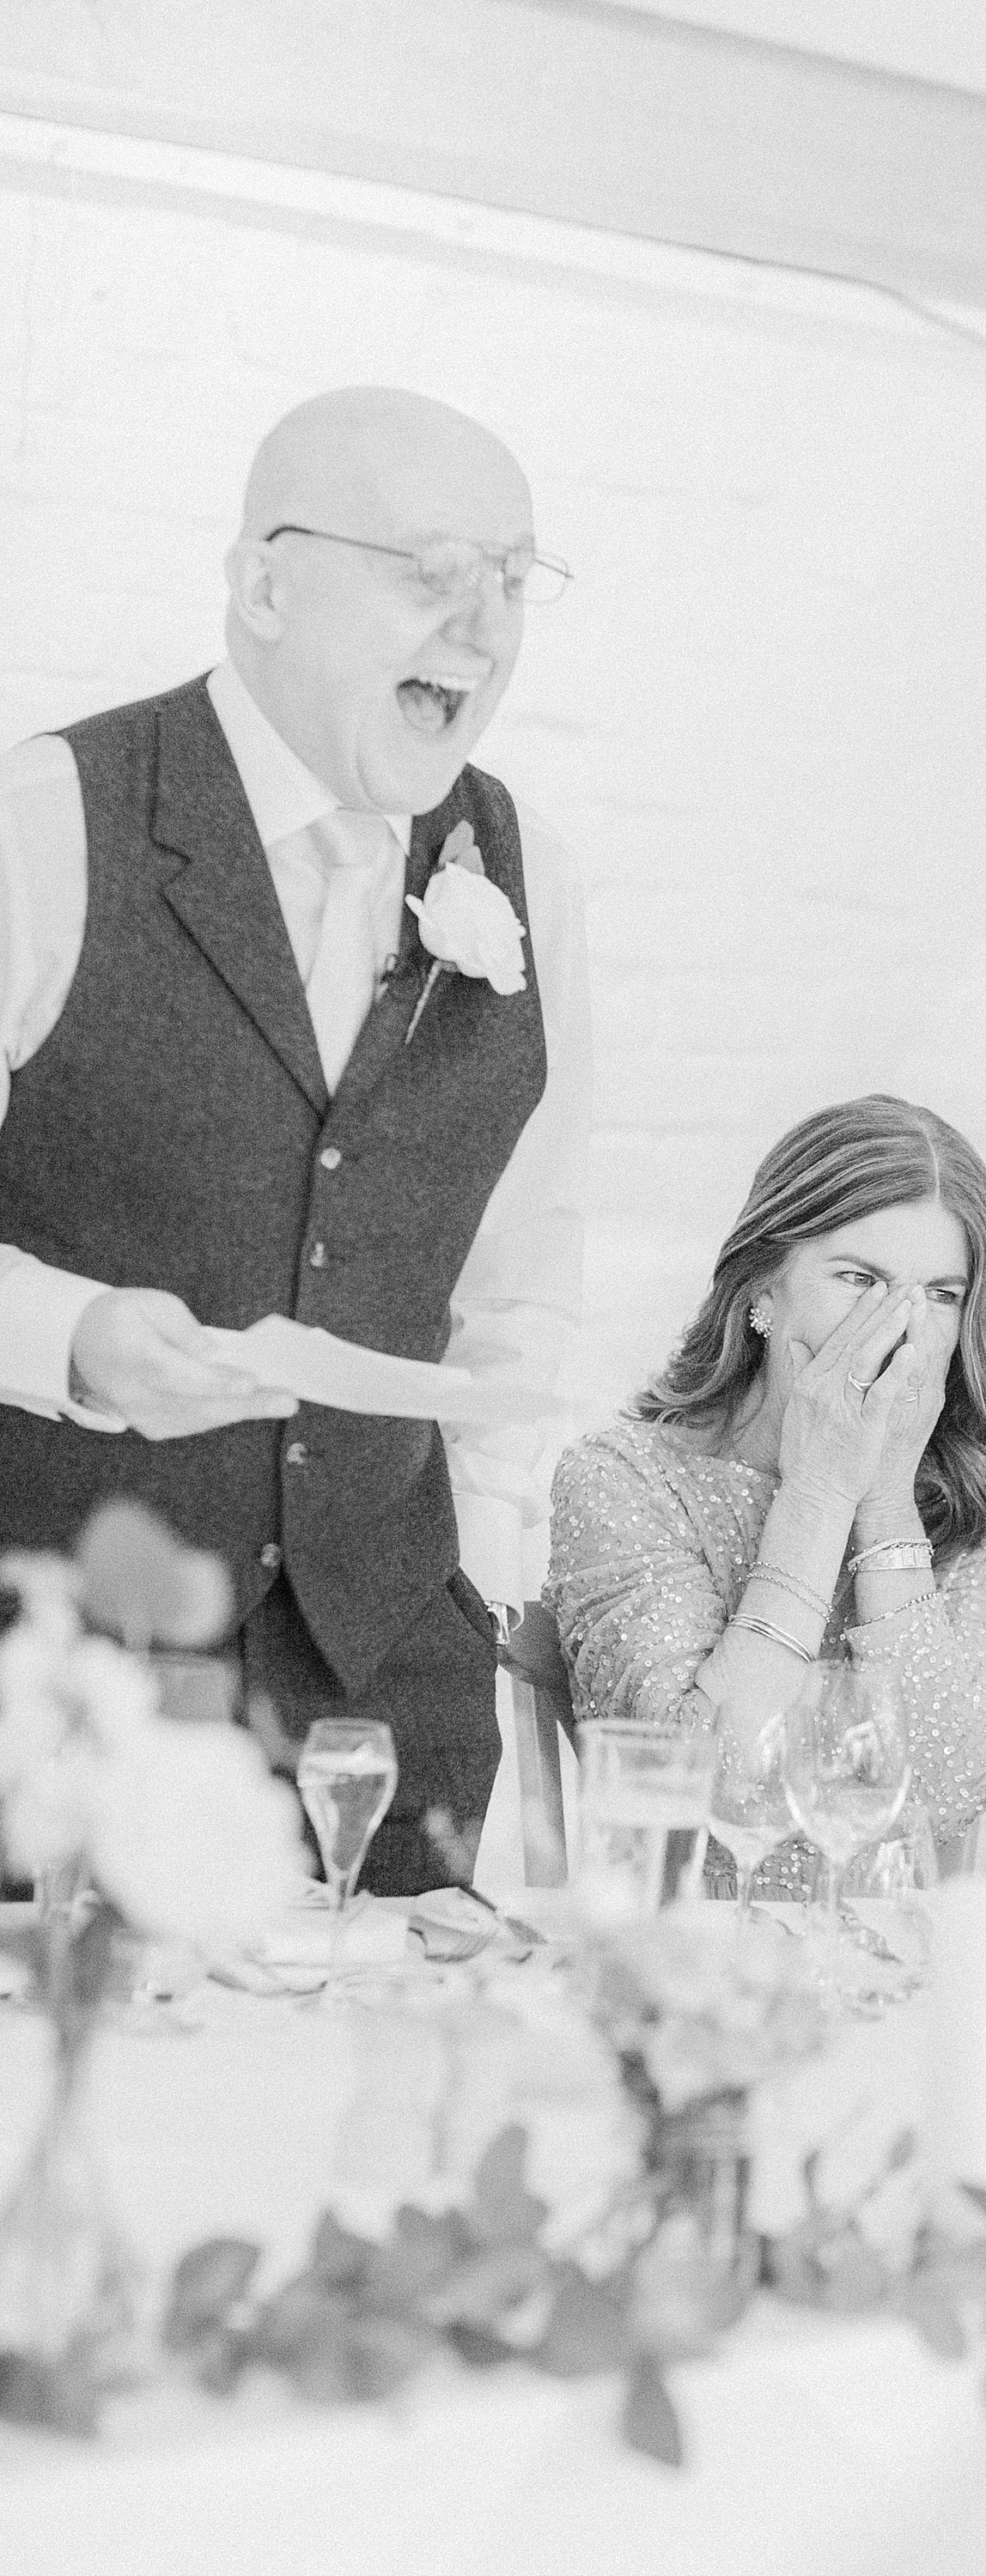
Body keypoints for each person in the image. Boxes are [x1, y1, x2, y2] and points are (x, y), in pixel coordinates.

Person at [0, 387, 591, 1892]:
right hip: (68, 1709)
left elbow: (519, 1297)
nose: (481, 625)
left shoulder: (535, 879)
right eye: (429, 569)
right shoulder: (47, 821)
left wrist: (490, 1595)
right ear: (265, 581)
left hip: (393, 1723)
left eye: (513, 580)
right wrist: (70, 1333)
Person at [546, 1095, 986, 1893]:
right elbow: (712, 1797)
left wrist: (883, 1505)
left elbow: (942, 1800)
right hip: (688, 1969)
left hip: (884, 1973)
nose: (900, 1328)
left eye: (939, 1294)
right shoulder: (624, 1478)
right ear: (762, 1291)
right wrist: (818, 1497)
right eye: (859, 1279)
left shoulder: (975, 1494)